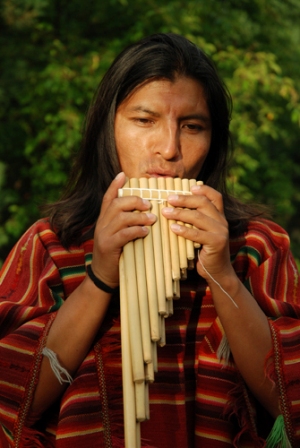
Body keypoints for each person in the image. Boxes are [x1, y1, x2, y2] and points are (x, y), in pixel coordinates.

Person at [0, 33, 299, 448]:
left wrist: (223, 276)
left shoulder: (258, 246)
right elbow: (13, 403)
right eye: (145, 121)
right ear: (109, 126)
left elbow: (290, 406)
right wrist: (101, 275)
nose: (170, 148)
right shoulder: (51, 244)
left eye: (193, 126)